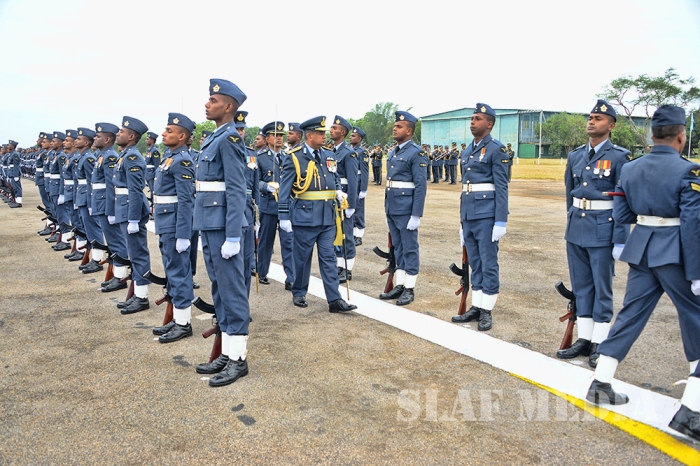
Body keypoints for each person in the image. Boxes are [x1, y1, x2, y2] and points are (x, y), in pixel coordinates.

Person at [586, 106, 700, 435]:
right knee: (695, 319)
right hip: (674, 252)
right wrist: (696, 271)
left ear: (652, 135)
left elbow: (622, 215)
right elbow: (692, 223)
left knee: (630, 315)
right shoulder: (688, 171)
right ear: (681, 136)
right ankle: (692, 411)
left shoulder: (631, 168)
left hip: (642, 248)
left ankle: (601, 381)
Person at [557, 100, 631, 367]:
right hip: (577, 228)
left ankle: (600, 341)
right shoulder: (576, 155)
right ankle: (585, 339)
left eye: (598, 118)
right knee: (581, 287)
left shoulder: (620, 157)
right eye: (590, 117)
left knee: (602, 288)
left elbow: (623, 200)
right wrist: (571, 218)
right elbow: (570, 193)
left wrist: (620, 238)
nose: (592, 121)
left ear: (611, 126)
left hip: (603, 229)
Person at [192, 78, 250, 387]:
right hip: (209, 222)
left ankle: (239, 359)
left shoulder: (229, 139)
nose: (207, 104)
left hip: (224, 227)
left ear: (228, 107)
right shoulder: (214, 138)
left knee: (232, 292)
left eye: (213, 100)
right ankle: (227, 352)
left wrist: (233, 235)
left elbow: (237, 190)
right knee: (220, 291)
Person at [278, 116, 357, 313]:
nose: (324, 136)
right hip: (305, 216)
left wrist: (338, 191)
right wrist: (284, 217)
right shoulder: (295, 157)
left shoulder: (329, 155)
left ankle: (334, 299)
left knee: (329, 258)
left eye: (324, 132)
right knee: (302, 259)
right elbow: (285, 190)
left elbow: (334, 177)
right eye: (320, 133)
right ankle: (299, 291)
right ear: (309, 135)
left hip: (327, 216)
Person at [451, 103, 509, 331]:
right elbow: (465, 189)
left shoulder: (497, 149)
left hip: (487, 215)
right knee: (475, 262)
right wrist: (462, 221)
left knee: (488, 263)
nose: (472, 122)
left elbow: (501, 187)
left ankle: (487, 310)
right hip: (469, 215)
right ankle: (476, 305)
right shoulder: (467, 151)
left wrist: (500, 220)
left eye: (477, 119)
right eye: (472, 118)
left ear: (489, 124)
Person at [151, 113, 196, 343]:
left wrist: (183, 234)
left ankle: (183, 323)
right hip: (165, 222)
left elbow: (186, 200)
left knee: (179, 273)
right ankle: (178, 318)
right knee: (172, 271)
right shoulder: (170, 157)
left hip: (174, 224)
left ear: (182, 136)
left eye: (169, 131)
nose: (163, 133)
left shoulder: (182, 161)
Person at [378, 111, 428, 306]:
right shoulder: (393, 152)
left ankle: (409, 288)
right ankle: (400, 284)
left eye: (399, 127)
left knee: (409, 248)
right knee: (398, 247)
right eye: (395, 126)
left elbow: (420, 185)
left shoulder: (416, 153)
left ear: (409, 131)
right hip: (392, 207)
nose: (395, 129)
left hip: (406, 208)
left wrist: (416, 214)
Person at [113, 117, 152, 314]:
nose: (118, 134)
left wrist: (134, 218)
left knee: (138, 254)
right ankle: (137, 294)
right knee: (133, 253)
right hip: (124, 208)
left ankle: (142, 297)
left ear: (131, 137)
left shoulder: (133, 157)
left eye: (121, 131)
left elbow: (135, 190)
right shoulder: (125, 155)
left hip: (130, 210)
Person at [256, 121, 295, 289]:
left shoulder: (288, 156)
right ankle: (262, 271)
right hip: (268, 204)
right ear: (267, 138)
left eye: (281, 135)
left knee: (289, 242)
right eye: (275, 135)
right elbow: (254, 181)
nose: (279, 138)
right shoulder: (260, 157)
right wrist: (265, 186)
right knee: (266, 241)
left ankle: (291, 277)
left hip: (286, 206)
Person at [234, 110, 260, 296]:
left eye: (242, 130)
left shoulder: (251, 155)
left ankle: (244, 300)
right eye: (237, 129)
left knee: (247, 255)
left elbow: (256, 185)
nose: (240, 133)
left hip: (248, 209)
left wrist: (258, 213)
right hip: (230, 207)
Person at [329, 115, 358, 284]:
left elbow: (353, 181)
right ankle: (339, 266)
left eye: (335, 128)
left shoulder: (349, 153)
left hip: (345, 199)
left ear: (343, 132)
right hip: (334, 198)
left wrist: (351, 205)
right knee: (336, 233)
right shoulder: (331, 151)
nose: (331, 130)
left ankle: (347, 268)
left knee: (346, 234)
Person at [350, 127, 369, 246]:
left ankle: (359, 235)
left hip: (358, 182)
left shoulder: (362, 152)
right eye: (351, 135)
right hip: (351, 182)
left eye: (353, 136)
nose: (350, 137)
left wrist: (363, 189)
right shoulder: (350, 150)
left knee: (358, 210)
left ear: (359, 138)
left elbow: (364, 171)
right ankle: (352, 233)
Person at [145, 131, 162, 208]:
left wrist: (156, 176)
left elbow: (157, 164)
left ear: (152, 140)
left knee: (153, 191)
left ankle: (154, 207)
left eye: (147, 139)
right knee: (151, 191)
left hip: (152, 174)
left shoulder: (154, 151)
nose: (146, 140)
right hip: (148, 174)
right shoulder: (149, 150)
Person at [7, 140, 22, 207]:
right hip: (11, 173)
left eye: (9, 145)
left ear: (13, 146)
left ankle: (19, 202)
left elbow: (16, 166)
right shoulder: (11, 154)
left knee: (17, 188)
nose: (8, 146)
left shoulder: (15, 154)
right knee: (13, 188)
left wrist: (16, 175)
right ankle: (15, 201)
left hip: (14, 173)